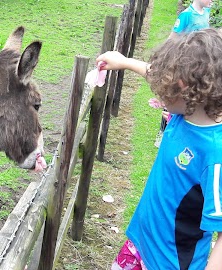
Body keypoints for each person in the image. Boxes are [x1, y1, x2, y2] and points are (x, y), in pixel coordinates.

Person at [96, 28, 222, 269]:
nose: (159, 91)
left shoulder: (215, 154)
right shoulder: (186, 112)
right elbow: (152, 73)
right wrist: (124, 62)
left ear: (184, 88)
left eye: (165, 89)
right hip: (139, 245)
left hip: (168, 263)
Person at [152, 0, 212, 148]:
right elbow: (172, 39)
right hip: (183, 65)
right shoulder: (186, 15)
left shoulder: (207, 13)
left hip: (198, 68)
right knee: (173, 97)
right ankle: (163, 134)